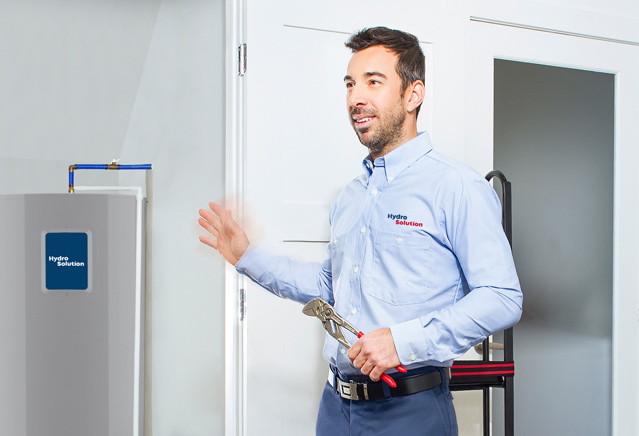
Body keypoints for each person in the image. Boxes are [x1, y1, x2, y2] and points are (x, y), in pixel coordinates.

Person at [198, 26, 521, 435]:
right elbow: (330, 285)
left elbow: (502, 297)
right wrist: (248, 257)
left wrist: (401, 342)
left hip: (410, 410)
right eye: (350, 84)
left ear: (413, 95)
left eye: (373, 82)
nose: (356, 98)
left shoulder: (457, 187)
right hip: (337, 409)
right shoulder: (351, 198)